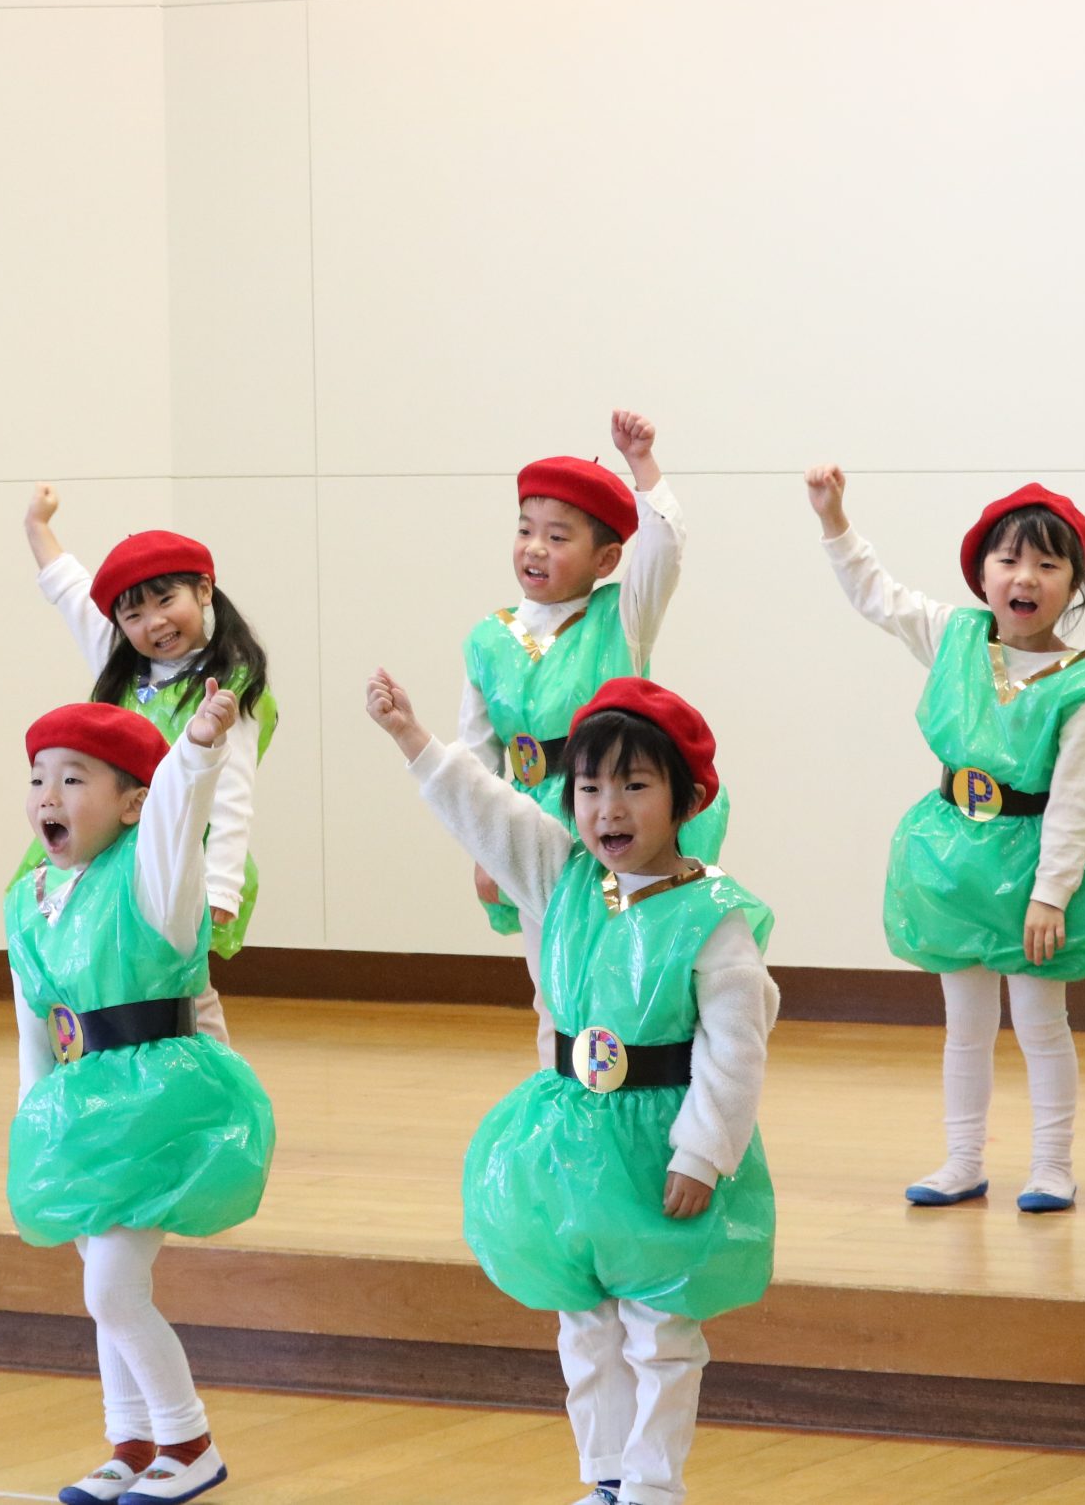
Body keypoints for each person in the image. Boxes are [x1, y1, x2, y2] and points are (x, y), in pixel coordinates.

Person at [370, 669, 773, 1505]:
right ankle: (608, 1475)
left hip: (659, 1146)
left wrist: (704, 1151)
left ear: (688, 797)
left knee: (660, 1329)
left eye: (635, 786)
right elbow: (487, 809)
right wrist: (413, 736)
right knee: (584, 1321)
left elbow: (736, 1046)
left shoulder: (714, 915)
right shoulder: (562, 877)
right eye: (589, 788)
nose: (608, 809)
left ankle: (654, 1486)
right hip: (570, 1142)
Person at [806, 470, 1085, 1213]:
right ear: (982, 573)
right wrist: (835, 520)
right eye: (1008, 559)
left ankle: (1052, 1165)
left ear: (1074, 584)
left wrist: (1050, 894)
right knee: (964, 1026)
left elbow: (1078, 801)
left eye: (1048, 564)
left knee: (1040, 1022)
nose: (1025, 577)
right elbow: (877, 594)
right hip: (952, 861)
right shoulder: (955, 636)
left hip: (1031, 867)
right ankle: (963, 1160)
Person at [6, 695, 274, 1505]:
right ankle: (130, 1442)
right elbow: (35, 1025)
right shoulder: (29, 898)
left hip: (161, 1106)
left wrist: (196, 748)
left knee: (112, 1288)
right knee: (102, 1284)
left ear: (132, 804)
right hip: (81, 1112)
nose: (48, 795)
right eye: (38, 778)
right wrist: (35, 1126)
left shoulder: (156, 879)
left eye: (73, 778)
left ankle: (189, 1442)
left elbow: (176, 813)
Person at [464, 412, 720, 1066]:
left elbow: (664, 548)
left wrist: (642, 464)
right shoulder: (488, 639)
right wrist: (485, 846)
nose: (535, 548)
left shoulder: (621, 616)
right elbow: (477, 757)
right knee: (550, 983)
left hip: (614, 814)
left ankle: (645, 1092)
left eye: (558, 536)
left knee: (626, 972)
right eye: (525, 530)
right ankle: (560, 1097)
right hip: (533, 824)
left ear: (606, 559)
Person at [22, 489, 275, 1039]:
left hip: (175, 861)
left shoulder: (230, 684)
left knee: (181, 986)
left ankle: (209, 1076)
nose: (153, 622)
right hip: (103, 852)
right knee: (99, 971)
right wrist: (38, 527)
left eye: (166, 601)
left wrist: (222, 887)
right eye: (133, 614)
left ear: (203, 589)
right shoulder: (122, 666)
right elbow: (70, 591)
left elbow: (232, 792)